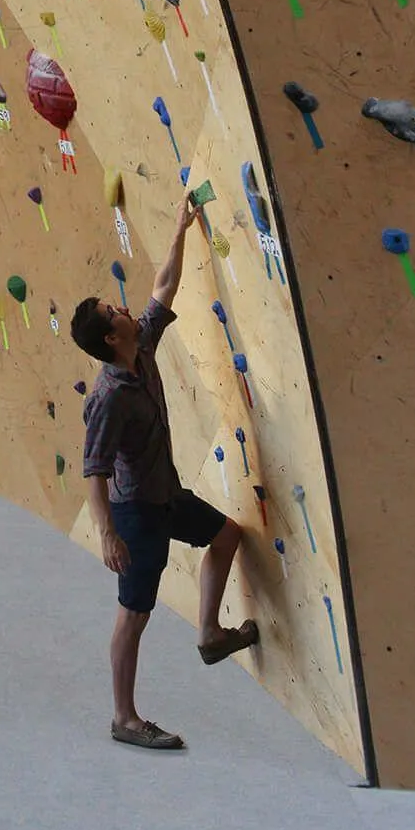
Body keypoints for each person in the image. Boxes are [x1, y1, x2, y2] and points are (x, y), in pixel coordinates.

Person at [70, 191, 259, 748]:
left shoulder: (142, 348)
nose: (124, 309)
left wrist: (180, 226)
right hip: (135, 514)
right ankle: (124, 719)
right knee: (134, 613)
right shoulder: (108, 398)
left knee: (226, 535)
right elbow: (93, 469)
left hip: (166, 495)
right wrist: (108, 533)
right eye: (114, 312)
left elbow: (164, 286)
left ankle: (210, 634)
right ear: (111, 338)